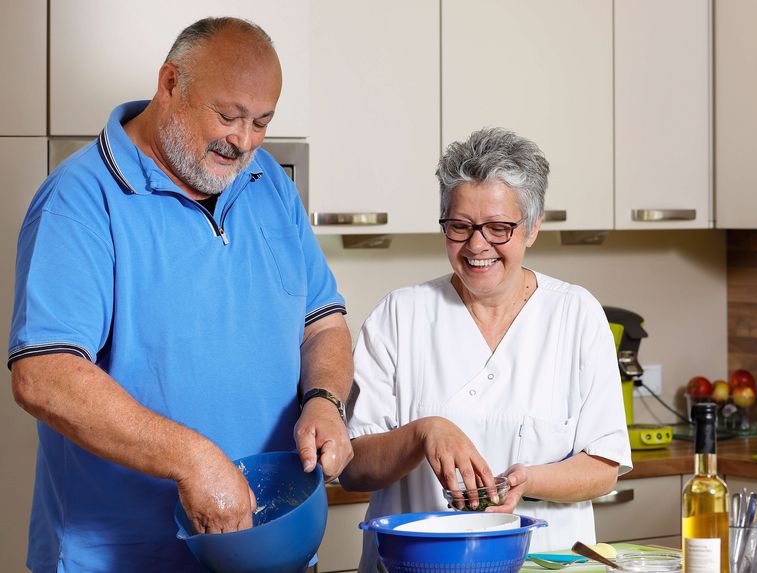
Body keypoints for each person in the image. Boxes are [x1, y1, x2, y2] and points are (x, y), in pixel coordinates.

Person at [7, 17, 354, 572]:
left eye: (261, 121)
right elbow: (44, 374)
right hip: (125, 559)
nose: (242, 141)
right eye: (227, 114)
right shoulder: (78, 199)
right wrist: (191, 459)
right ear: (170, 83)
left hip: (271, 547)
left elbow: (323, 323)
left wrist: (325, 401)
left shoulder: (269, 182)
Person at [340, 127, 632, 571]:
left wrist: (527, 479)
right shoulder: (400, 315)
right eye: (460, 227)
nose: (477, 246)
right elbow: (354, 467)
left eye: (499, 228)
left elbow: (604, 465)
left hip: (543, 563)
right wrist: (424, 432)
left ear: (532, 227)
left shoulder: (575, 315)